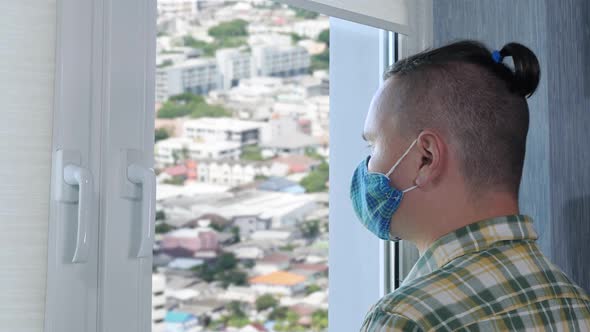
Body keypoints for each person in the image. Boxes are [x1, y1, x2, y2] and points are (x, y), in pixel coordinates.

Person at [350, 40, 590, 331]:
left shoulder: (408, 319)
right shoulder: (574, 302)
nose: (367, 168)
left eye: (373, 147)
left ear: (426, 158)